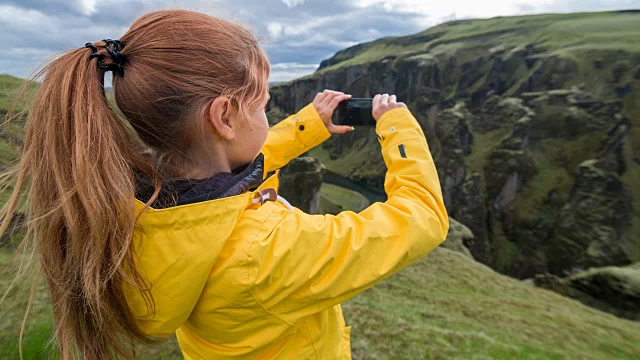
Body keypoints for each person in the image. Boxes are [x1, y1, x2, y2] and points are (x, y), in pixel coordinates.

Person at [0, 8, 448, 360]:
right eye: (263, 105)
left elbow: (235, 166)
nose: (267, 116)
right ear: (224, 117)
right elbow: (423, 219)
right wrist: (398, 127)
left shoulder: (146, 205)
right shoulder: (266, 251)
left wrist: (311, 124)